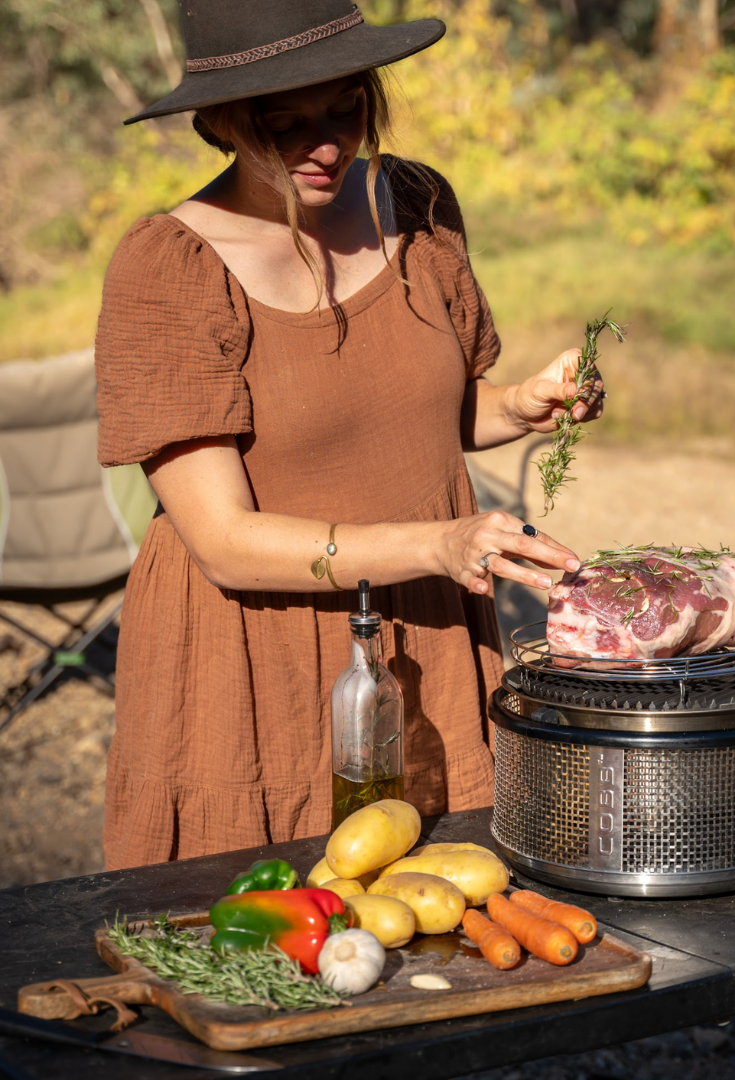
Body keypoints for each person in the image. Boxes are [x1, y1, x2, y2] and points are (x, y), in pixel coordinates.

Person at [94, 0, 604, 869]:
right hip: (255, 657)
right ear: (219, 123)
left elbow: (428, 418)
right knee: (268, 946)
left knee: (447, 923)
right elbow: (221, 543)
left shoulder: (416, 204)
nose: (324, 145)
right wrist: (441, 543)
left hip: (428, 632)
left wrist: (518, 405)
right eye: (281, 125)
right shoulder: (169, 268)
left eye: (344, 109)